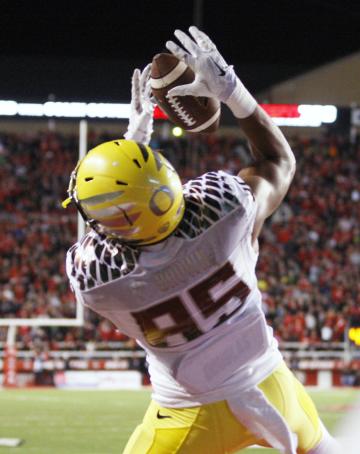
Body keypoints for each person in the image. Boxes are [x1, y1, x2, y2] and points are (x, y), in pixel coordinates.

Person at [64, 26, 340, 454]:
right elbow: (277, 161)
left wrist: (129, 145)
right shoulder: (225, 213)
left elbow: (108, 225)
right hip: (272, 385)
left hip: (186, 415)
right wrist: (233, 92)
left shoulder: (97, 282)